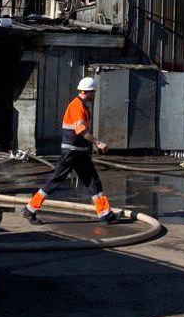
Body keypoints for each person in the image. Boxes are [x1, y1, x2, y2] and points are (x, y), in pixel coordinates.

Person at [22, 76, 117, 223]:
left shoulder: (83, 106)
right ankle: (30, 209)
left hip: (79, 152)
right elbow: (80, 130)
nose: (95, 95)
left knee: (93, 181)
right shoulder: (76, 106)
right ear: (89, 92)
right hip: (72, 153)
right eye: (94, 92)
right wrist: (98, 142)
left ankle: (104, 213)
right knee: (55, 180)